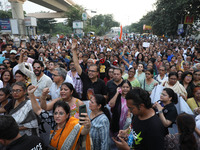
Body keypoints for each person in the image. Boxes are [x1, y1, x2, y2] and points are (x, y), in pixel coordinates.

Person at [28, 86, 92, 150]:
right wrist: (31, 95)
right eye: (55, 113)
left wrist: (87, 126)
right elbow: (38, 110)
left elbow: (84, 132)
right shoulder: (53, 122)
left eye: (61, 113)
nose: (57, 116)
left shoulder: (74, 124)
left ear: (67, 115)